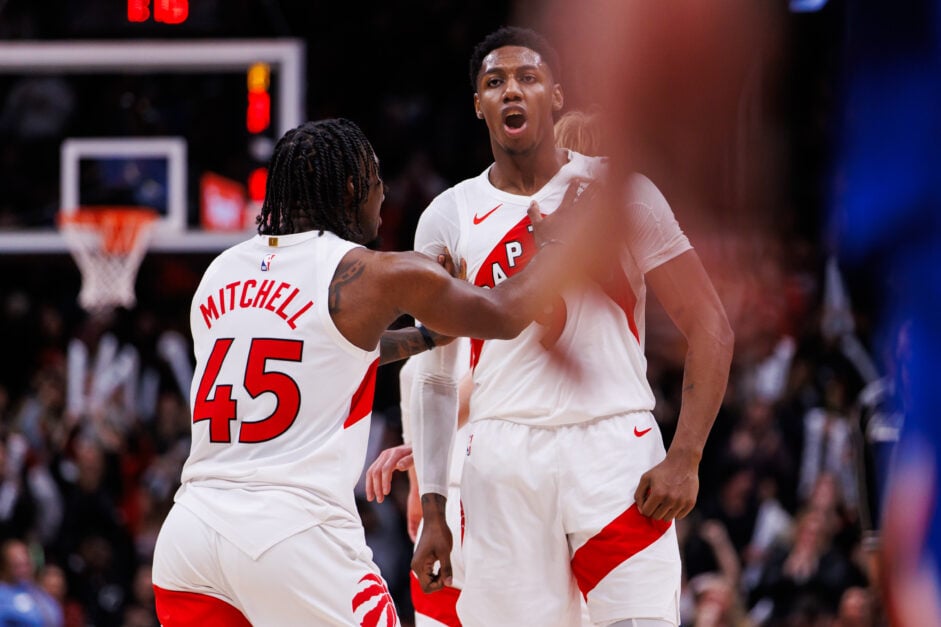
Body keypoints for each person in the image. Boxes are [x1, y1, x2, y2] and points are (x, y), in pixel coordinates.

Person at [149, 117, 601, 626]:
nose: (383, 194)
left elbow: (312, 350)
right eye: (377, 179)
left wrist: (424, 338)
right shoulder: (372, 273)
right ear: (351, 189)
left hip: (189, 536)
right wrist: (561, 246)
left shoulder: (220, 271)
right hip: (291, 535)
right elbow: (504, 314)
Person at [406, 27, 733, 627]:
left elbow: (710, 324)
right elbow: (433, 373)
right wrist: (434, 509)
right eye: (494, 82)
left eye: (528, 78)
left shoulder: (622, 192)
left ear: (556, 96)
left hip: (614, 449)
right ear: (477, 104)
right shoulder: (448, 214)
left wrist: (686, 455)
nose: (512, 92)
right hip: (501, 455)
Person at [365, 109, 607, 627]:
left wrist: (429, 457)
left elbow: (490, 381)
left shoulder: (511, 260)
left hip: (487, 484)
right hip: (512, 482)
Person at [0, 539, 63, 627]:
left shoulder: (37, 592)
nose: (23, 570)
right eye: (17, 565)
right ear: (4, 566)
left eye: (26, 564)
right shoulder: (3, 595)